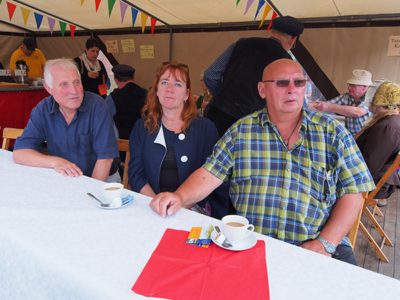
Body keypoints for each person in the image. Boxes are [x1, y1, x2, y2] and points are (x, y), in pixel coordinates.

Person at [150, 59, 375, 264]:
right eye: (282, 83)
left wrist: (326, 243)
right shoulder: (242, 131)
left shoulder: (332, 133)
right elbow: (210, 174)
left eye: (298, 83)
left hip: (320, 244)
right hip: (253, 244)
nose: (291, 89)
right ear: (262, 90)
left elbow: (354, 192)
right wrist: (179, 197)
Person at [128, 61, 233, 219]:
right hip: (151, 207)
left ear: (186, 94)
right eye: (164, 83)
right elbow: (136, 173)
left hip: (193, 210)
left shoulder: (205, 129)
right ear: (156, 90)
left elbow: (212, 176)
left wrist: (181, 204)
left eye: (177, 84)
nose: (169, 89)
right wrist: (157, 203)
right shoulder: (142, 127)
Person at [13, 58, 119, 182]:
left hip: (101, 179)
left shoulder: (97, 106)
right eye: (64, 84)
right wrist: (55, 161)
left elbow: (105, 159)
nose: (74, 91)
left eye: (77, 82)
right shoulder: (43, 109)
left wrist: (90, 192)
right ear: (49, 88)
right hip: (66, 176)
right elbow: (20, 152)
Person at [203, 15, 303, 136]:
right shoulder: (285, 61)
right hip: (250, 125)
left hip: (216, 114)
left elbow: (210, 75)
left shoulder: (241, 43)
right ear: (293, 40)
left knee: (207, 153)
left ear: (272, 31)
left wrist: (224, 97)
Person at [356, 81, 400, 207]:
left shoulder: (388, 127)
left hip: (371, 183)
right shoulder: (389, 121)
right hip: (373, 179)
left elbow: (370, 165)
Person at [308, 69, 372, 136]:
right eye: (349, 84)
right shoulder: (346, 96)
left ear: (364, 87)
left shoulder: (370, 98)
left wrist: (329, 107)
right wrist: (303, 104)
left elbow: (357, 112)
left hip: (365, 139)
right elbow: (324, 105)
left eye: (353, 85)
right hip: (351, 136)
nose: (348, 88)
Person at [105, 64, 147, 139]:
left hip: (122, 143)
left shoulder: (112, 98)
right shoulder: (147, 94)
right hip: (143, 140)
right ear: (133, 77)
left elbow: (106, 120)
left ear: (115, 79)